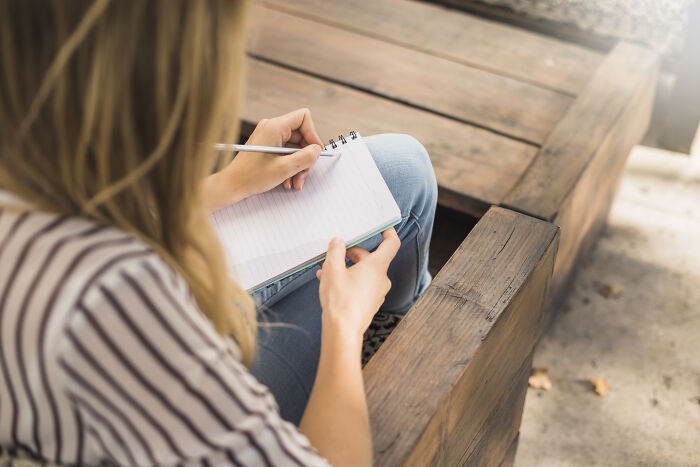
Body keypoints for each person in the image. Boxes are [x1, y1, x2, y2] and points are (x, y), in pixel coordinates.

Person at [0, 1, 437, 466]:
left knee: (400, 169)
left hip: (94, 383)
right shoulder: (114, 294)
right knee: (393, 218)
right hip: (140, 381)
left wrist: (226, 185)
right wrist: (345, 325)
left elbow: (89, 215)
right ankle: (377, 356)